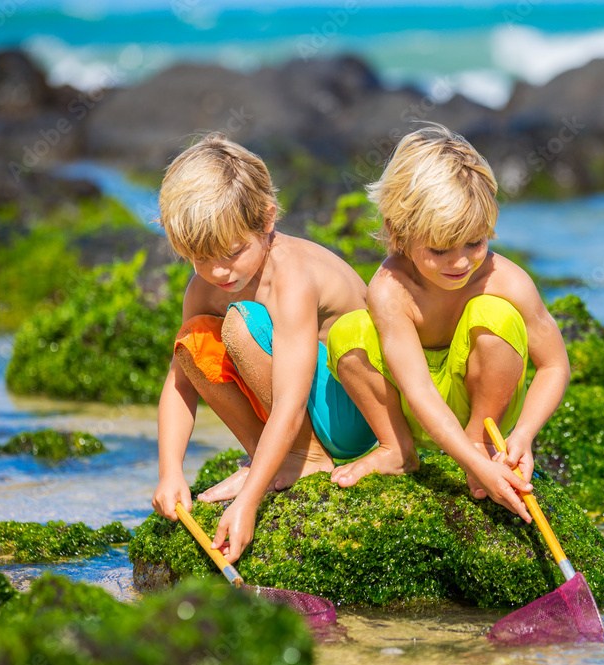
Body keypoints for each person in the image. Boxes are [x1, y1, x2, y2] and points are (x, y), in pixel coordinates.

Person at [326, 124, 571, 522]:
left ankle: (478, 441)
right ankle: (396, 449)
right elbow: (419, 391)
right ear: (399, 235)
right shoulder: (391, 289)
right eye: (439, 249)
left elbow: (555, 365)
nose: (460, 263)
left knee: (495, 315)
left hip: (486, 409)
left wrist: (524, 433)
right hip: (415, 406)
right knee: (348, 332)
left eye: (474, 243)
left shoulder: (505, 280)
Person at [151, 132, 377, 562]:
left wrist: (248, 503)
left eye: (233, 252)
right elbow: (180, 385)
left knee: (240, 325)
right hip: (302, 407)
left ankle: (304, 459)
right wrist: (170, 472)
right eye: (201, 257)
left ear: (267, 219)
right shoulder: (205, 287)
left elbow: (291, 402)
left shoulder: (291, 275)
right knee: (197, 338)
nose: (218, 271)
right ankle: (269, 456)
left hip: (354, 410)